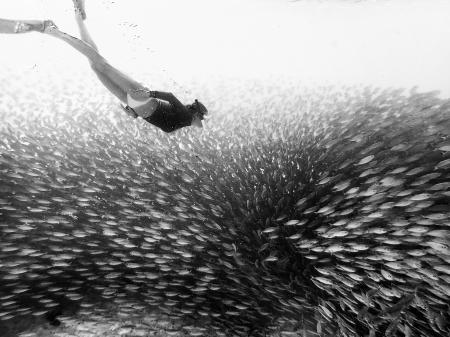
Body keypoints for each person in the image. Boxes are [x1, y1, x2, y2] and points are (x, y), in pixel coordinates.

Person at [0, 0, 208, 133]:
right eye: (202, 118)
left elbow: (159, 118)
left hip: (137, 105)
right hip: (143, 96)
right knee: (101, 64)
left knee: (96, 65)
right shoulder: (186, 117)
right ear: (196, 114)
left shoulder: (182, 121)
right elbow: (170, 96)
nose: (201, 123)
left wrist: (134, 114)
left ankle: (78, 18)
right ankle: (53, 30)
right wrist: (149, 92)